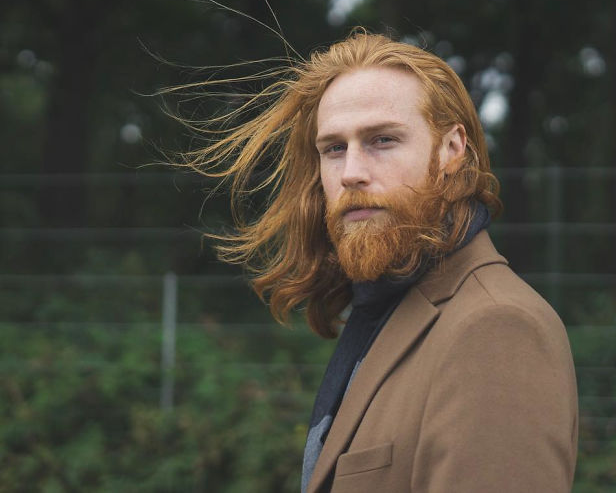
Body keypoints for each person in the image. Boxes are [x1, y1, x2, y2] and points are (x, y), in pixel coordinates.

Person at [176, 30, 578, 492]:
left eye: (382, 140)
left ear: (451, 150)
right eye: (334, 148)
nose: (351, 173)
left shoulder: (497, 328)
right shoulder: (386, 311)